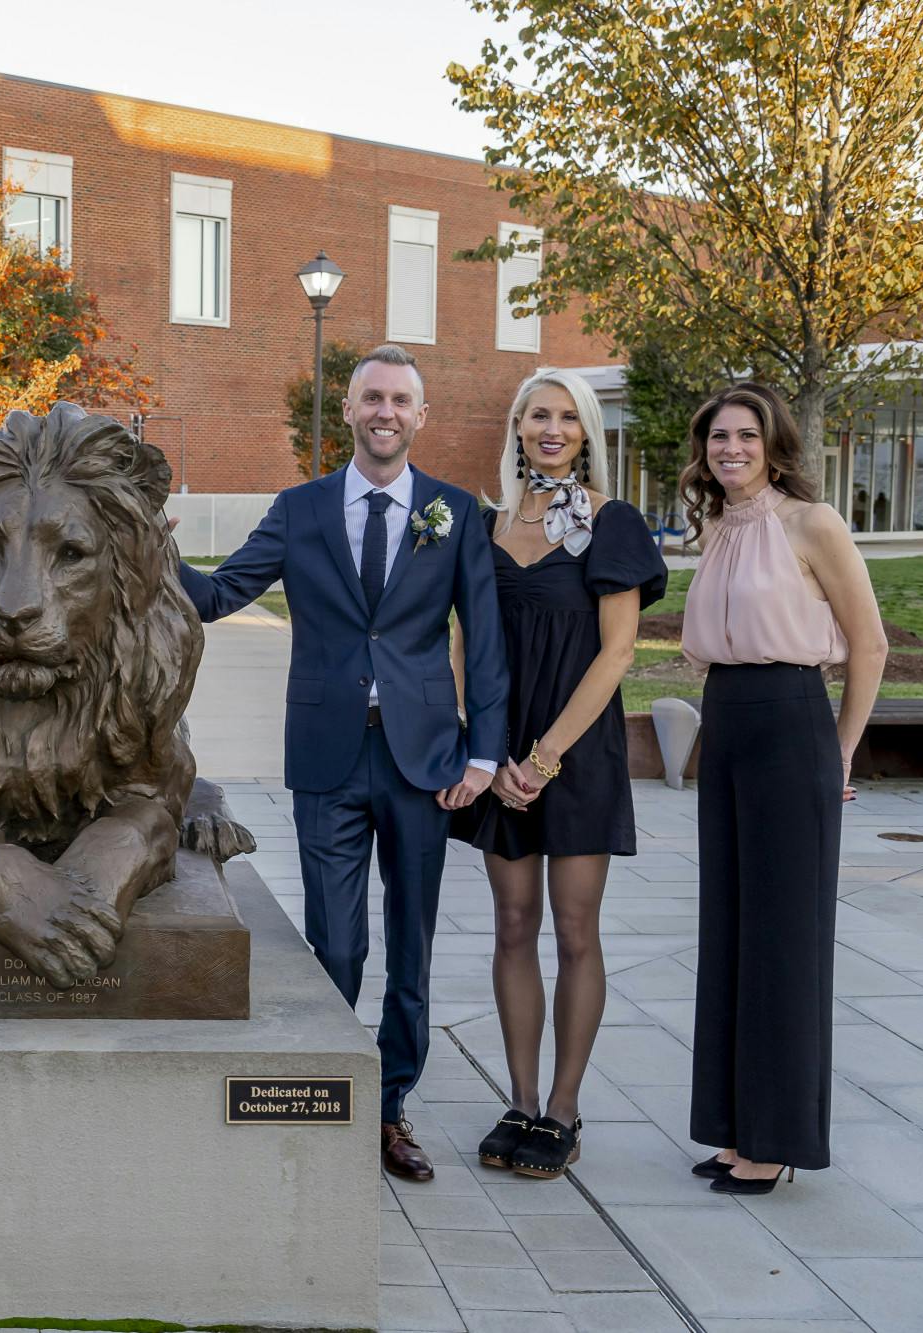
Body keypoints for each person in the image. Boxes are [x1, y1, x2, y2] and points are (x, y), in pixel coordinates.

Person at [174, 344, 507, 1181]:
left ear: (420, 415)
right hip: (328, 753)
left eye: (400, 399)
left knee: (412, 942)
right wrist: (147, 544)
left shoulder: (454, 512)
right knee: (336, 941)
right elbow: (217, 596)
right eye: (371, 398)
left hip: (425, 759)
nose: (385, 412)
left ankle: (390, 1108)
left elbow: (486, 642)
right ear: (350, 410)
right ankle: (330, 1087)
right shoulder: (301, 508)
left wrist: (485, 751)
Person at [451, 370, 666, 1180]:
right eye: (537, 414)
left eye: (567, 417)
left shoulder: (612, 524)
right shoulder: (485, 522)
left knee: (575, 931)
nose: (551, 427)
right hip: (501, 757)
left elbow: (618, 654)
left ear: (587, 433)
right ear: (515, 426)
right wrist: (487, 750)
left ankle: (564, 1110)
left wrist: (544, 760)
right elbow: (467, 642)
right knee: (513, 926)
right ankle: (520, 1097)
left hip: (575, 755)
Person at [680, 382, 885, 1194]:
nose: (731, 448)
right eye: (719, 437)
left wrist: (838, 753)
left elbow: (868, 646)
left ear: (774, 444)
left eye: (746, 436)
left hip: (792, 720)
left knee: (784, 941)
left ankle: (779, 1137)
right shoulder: (718, 528)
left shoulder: (813, 523)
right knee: (729, 928)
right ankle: (735, 1124)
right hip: (727, 719)